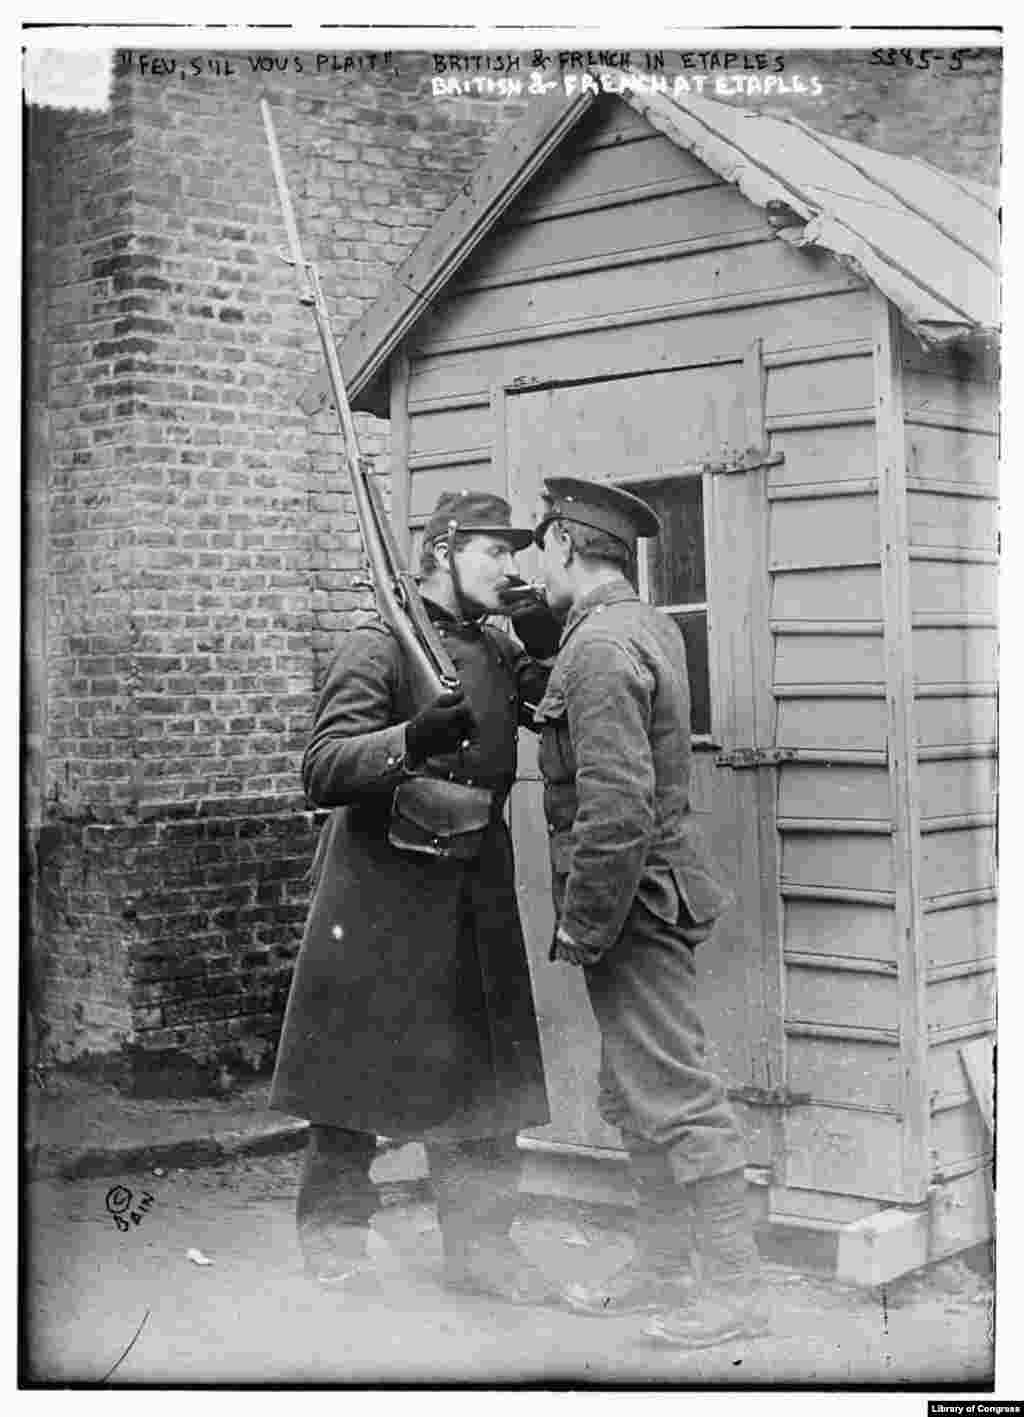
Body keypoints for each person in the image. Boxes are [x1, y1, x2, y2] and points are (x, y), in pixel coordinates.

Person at [270, 491, 564, 1304]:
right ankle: (334, 1247)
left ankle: (482, 1251)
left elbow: (555, 707)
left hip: (473, 881)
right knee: (348, 1079)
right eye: (494, 552)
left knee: (484, 1075)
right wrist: (411, 739)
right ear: (441, 552)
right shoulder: (378, 644)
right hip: (382, 889)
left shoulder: (498, 648)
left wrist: (549, 643)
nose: (512, 567)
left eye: (516, 552)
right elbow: (322, 767)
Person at [531, 476, 768, 1349]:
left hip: (630, 900)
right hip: (653, 889)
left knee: (674, 1089)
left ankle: (737, 1289)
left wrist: (583, 924)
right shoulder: (646, 624)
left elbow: (618, 807)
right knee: (632, 1086)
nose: (532, 564)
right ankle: (664, 1267)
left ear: (564, 544)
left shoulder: (596, 651)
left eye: (541, 547)